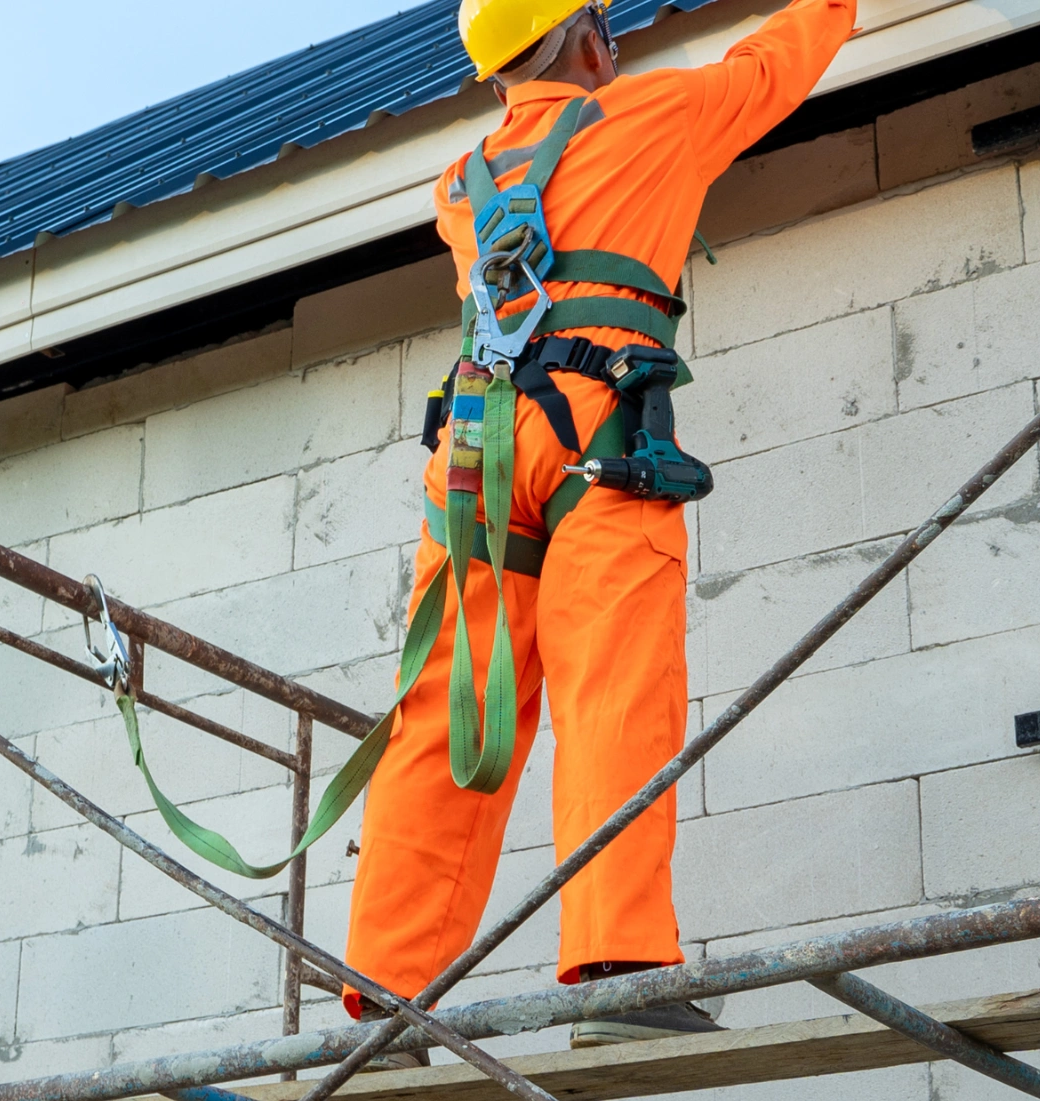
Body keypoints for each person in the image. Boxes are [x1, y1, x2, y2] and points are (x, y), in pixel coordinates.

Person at [342, 0, 857, 1052]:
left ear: (496, 76)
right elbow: (778, 59)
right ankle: (618, 969)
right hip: (594, 434)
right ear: (585, 37)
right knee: (612, 689)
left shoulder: (459, 188)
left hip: (474, 452)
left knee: (442, 714)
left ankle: (387, 997)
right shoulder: (653, 115)